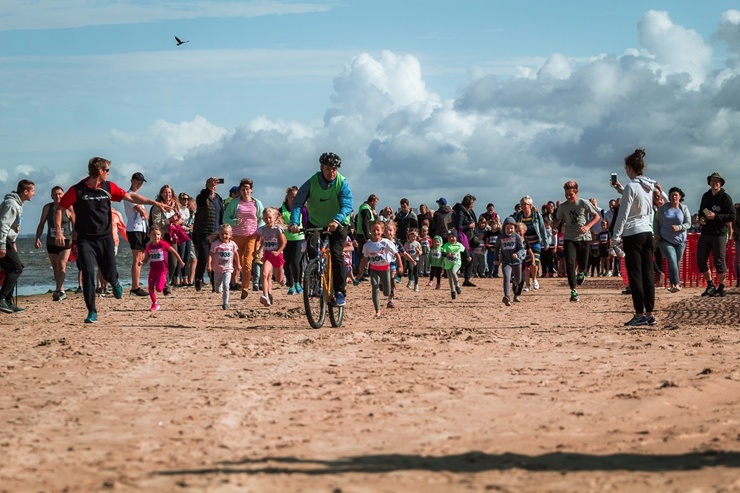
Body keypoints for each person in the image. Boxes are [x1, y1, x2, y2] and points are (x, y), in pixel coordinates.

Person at [56, 157, 170, 324]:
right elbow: (60, 208)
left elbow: (131, 198)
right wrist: (59, 231)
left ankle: (115, 281)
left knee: (109, 272)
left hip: (105, 238)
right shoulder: (78, 190)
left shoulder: (109, 187)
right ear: (100, 171)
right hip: (85, 239)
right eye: (107, 170)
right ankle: (92, 311)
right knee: (88, 273)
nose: (109, 173)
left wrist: (154, 202)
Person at [289, 152, 353, 307]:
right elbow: (297, 203)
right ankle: (316, 283)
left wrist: (337, 220)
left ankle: (339, 292)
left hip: (338, 224)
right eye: (328, 168)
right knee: (312, 249)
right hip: (315, 223)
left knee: (337, 254)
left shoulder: (342, 183)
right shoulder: (311, 183)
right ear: (321, 168)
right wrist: (294, 223)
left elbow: (347, 204)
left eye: (334, 169)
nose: (332, 172)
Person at [611, 149, 662, 326]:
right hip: (647, 232)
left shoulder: (631, 186)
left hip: (633, 233)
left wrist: (615, 237)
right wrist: (620, 189)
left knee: (635, 275)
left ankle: (639, 314)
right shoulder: (649, 186)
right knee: (648, 273)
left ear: (630, 168)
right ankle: (649, 312)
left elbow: (623, 215)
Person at [554, 180, 601, 303]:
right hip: (569, 237)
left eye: (571, 194)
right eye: (566, 195)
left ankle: (581, 272)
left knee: (583, 264)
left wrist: (587, 226)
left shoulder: (584, 203)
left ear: (576, 192)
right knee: (569, 263)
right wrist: (554, 227)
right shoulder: (563, 206)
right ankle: (573, 290)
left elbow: (597, 216)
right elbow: (558, 219)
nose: (569, 197)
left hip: (584, 238)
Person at [223, 178, 265, 299]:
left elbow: (261, 218)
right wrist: (234, 221)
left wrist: (260, 232)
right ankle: (232, 283)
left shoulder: (257, 203)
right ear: (240, 191)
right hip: (236, 236)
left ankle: (245, 288)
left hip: (251, 236)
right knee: (237, 263)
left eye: (247, 189)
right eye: (243, 189)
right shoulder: (235, 203)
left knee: (248, 262)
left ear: (251, 190)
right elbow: (225, 219)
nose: (245, 191)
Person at [696, 172, 736, 296]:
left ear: (721, 183)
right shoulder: (706, 196)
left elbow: (732, 215)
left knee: (719, 261)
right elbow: (702, 210)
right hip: (706, 233)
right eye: (713, 180)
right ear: (709, 182)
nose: (715, 183)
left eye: (718, 181)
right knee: (701, 259)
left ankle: (721, 287)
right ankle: (710, 284)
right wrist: (702, 218)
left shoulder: (726, 198)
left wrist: (716, 216)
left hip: (719, 234)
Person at [0, 179, 35, 313]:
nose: (34, 194)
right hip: (2, 240)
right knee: (16, 269)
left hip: (8, 240)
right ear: (25, 191)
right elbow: (3, 225)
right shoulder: (11, 204)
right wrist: (2, 245)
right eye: (32, 191)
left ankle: (8, 302)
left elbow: (12, 226)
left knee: (13, 269)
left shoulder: (18, 204)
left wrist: (13, 242)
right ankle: (2, 298)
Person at [34, 185, 74, 301]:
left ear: (63, 194)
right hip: (51, 241)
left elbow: (75, 223)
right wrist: (37, 238)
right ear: (51, 196)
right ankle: (61, 289)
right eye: (55, 194)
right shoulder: (48, 208)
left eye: (60, 194)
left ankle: (59, 290)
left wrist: (76, 237)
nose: (57, 196)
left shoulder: (68, 207)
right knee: (55, 267)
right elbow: (41, 224)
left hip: (66, 241)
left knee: (62, 264)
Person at [358, 221, 403, 317]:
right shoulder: (367, 245)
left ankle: (383, 285)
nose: (375, 232)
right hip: (374, 269)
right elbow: (365, 259)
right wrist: (361, 272)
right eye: (373, 230)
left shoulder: (386, 243)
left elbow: (397, 254)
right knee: (374, 287)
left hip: (385, 269)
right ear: (370, 231)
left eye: (378, 230)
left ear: (382, 231)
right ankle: (377, 310)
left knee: (386, 292)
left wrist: (400, 266)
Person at [654, 187, 691, 292]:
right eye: (672, 195)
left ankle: (672, 283)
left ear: (680, 197)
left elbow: (688, 224)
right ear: (669, 197)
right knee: (671, 258)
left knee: (676, 262)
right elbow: (656, 220)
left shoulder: (684, 208)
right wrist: (656, 233)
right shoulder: (664, 208)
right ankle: (676, 283)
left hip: (680, 240)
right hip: (665, 239)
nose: (674, 197)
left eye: (676, 195)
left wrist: (678, 227)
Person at [141, 225, 185, 312]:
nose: (156, 237)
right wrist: (141, 262)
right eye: (154, 234)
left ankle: (164, 280)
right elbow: (146, 259)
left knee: (159, 289)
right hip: (153, 270)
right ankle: (154, 303)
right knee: (150, 287)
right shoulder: (149, 247)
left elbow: (174, 252)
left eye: (158, 234)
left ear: (160, 235)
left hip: (162, 271)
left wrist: (180, 261)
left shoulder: (163, 244)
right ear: (149, 235)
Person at [192, 177, 224, 292]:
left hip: (216, 232)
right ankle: (199, 278)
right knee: (204, 258)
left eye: (215, 184)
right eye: (211, 184)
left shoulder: (219, 198)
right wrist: (208, 189)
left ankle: (214, 283)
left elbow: (221, 215)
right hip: (204, 232)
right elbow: (200, 201)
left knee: (215, 258)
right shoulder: (202, 196)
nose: (214, 185)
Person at [124, 173, 150, 296]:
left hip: (142, 228)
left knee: (141, 258)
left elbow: (145, 212)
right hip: (135, 229)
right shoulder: (130, 195)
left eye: (141, 182)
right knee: (137, 258)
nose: (139, 184)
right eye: (137, 181)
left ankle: (137, 285)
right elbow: (142, 211)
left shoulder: (136, 196)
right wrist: (144, 212)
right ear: (132, 180)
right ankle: (135, 287)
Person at [514, 195, 547, 291]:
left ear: (530, 205)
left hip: (536, 242)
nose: (523, 206)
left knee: (534, 262)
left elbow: (542, 228)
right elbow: (515, 227)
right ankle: (527, 284)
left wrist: (545, 243)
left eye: (525, 204)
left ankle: (535, 280)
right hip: (524, 243)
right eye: (522, 204)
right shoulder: (519, 216)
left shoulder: (536, 215)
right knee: (527, 265)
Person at [256, 207, 286, 307]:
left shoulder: (277, 229)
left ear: (274, 217)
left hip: (277, 255)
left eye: (269, 218)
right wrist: (258, 249)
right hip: (268, 254)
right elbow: (260, 240)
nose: (268, 220)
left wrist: (278, 251)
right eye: (265, 218)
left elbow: (284, 242)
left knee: (278, 279)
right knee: (264, 274)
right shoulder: (262, 229)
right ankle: (265, 296)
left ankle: (282, 278)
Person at [495, 216, 526, 306]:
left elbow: (522, 249)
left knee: (518, 280)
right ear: (504, 228)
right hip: (506, 262)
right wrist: (496, 259)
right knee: (506, 277)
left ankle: (515, 284)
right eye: (507, 228)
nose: (509, 230)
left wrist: (517, 254)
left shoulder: (517, 237)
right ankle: (507, 297)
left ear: (515, 228)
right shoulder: (500, 237)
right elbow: (497, 248)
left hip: (517, 262)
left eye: (511, 228)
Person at [207, 224, 240, 310]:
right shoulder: (216, 244)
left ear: (230, 235)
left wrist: (239, 264)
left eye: (226, 234)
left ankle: (225, 303)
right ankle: (219, 287)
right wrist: (209, 265)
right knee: (218, 289)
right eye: (222, 234)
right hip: (217, 269)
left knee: (226, 286)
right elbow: (210, 254)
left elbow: (236, 255)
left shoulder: (232, 244)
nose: (224, 236)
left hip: (228, 269)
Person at [281, 186, 306, 295]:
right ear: (287, 197)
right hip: (286, 240)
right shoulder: (281, 210)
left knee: (295, 262)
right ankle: (290, 286)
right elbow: (278, 223)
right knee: (287, 263)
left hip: (299, 238)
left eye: (296, 197)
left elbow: (306, 222)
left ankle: (297, 283)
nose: (294, 199)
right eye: (291, 197)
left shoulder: (302, 209)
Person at [452, 194, 478, 287]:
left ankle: (466, 279)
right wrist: (469, 226)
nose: (473, 204)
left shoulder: (469, 211)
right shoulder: (461, 212)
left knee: (470, 258)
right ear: (469, 203)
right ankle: (454, 271)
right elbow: (459, 227)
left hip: (468, 239)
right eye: (472, 202)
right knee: (468, 258)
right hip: (463, 239)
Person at [354, 194, 378, 279]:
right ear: (372, 201)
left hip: (361, 234)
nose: (376, 205)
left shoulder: (364, 208)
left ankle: (363, 272)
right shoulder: (366, 210)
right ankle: (361, 273)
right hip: (364, 235)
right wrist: (367, 237)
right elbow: (365, 223)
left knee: (364, 254)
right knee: (364, 254)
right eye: (375, 202)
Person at [442, 228, 465, 300]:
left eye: (453, 237)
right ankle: (452, 290)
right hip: (448, 264)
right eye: (449, 237)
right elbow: (442, 253)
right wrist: (446, 254)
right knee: (450, 279)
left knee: (453, 272)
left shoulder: (459, 245)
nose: (451, 238)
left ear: (456, 237)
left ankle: (457, 286)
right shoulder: (446, 245)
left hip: (456, 263)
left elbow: (465, 251)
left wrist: (468, 257)